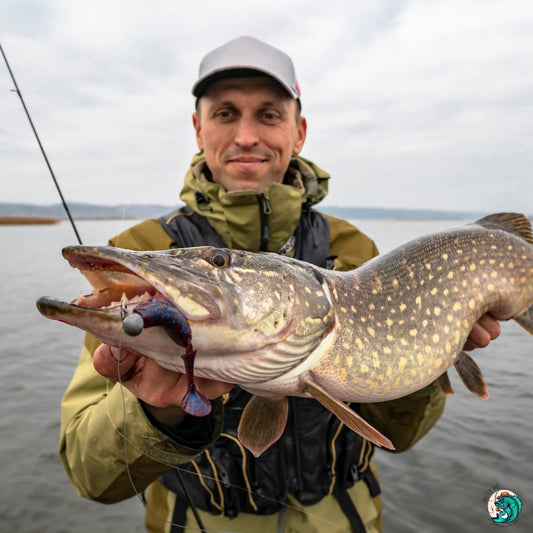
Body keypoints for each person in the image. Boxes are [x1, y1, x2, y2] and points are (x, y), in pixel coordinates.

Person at [59, 36, 501, 533]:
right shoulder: (138, 256)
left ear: (299, 131)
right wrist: (154, 413)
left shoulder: (353, 251)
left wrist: (435, 350)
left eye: (268, 115)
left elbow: (402, 433)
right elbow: (90, 476)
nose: (246, 135)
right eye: (225, 114)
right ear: (198, 129)